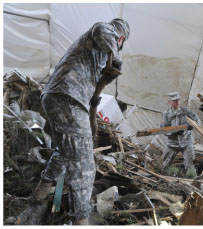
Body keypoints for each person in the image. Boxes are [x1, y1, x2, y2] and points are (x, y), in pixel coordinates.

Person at [32, 18, 130, 225]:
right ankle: (81, 220)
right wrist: (117, 58)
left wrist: (104, 80)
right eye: (120, 42)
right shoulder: (105, 32)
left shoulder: (94, 57)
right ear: (121, 38)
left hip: (58, 97)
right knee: (85, 165)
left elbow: (95, 95)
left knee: (64, 150)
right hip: (68, 97)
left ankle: (42, 190)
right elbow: (103, 29)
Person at [161, 92, 201, 179]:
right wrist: (172, 132)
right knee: (166, 163)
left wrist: (192, 125)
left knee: (190, 163)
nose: (177, 102)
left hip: (186, 141)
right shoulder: (166, 114)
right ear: (169, 102)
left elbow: (197, 120)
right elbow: (163, 129)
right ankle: (165, 180)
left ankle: (193, 182)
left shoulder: (186, 111)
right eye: (175, 100)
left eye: (178, 100)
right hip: (172, 142)